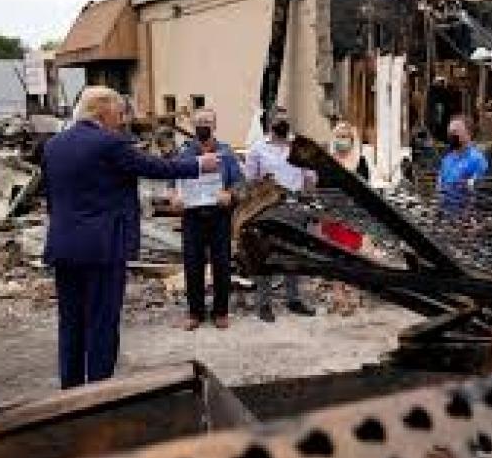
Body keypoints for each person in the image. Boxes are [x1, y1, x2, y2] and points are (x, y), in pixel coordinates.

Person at [42, 86, 219, 389]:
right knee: (102, 322)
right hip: (102, 248)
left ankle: (69, 393)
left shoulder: (53, 145)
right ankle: (99, 394)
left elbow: (53, 197)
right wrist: (199, 165)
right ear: (103, 111)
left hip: (64, 246)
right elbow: (152, 167)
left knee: (70, 322)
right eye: (119, 112)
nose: (122, 119)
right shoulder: (109, 143)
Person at [169, 109, 244, 331]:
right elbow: (172, 183)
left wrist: (230, 194)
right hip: (192, 216)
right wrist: (174, 197)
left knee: (221, 264)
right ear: (193, 126)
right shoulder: (184, 154)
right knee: (193, 264)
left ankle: (221, 311)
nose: (203, 125)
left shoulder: (227, 153)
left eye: (208, 121)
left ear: (215, 125)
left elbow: (239, 183)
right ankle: (195, 312)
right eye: (200, 122)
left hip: (219, 216)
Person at [244, 111, 316, 323]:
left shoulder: (298, 148)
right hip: (267, 209)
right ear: (270, 123)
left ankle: (293, 299)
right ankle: (264, 303)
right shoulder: (257, 149)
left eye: (285, 119)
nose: (282, 122)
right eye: (278, 119)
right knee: (265, 255)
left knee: (293, 255)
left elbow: (310, 177)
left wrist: (308, 202)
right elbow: (249, 181)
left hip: (295, 208)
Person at [323, 121, 367, 315]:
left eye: (346, 136)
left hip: (354, 217)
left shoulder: (360, 161)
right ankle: (338, 296)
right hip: (333, 216)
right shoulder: (328, 161)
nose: (343, 140)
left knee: (354, 257)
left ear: (352, 139)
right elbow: (322, 187)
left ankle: (354, 295)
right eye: (339, 136)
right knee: (335, 257)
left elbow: (366, 190)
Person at [437, 114, 489, 214]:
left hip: (464, 215)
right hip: (445, 213)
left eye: (455, 132)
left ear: (468, 134)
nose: (451, 136)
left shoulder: (477, 160)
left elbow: (478, 192)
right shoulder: (447, 159)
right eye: (449, 132)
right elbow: (440, 186)